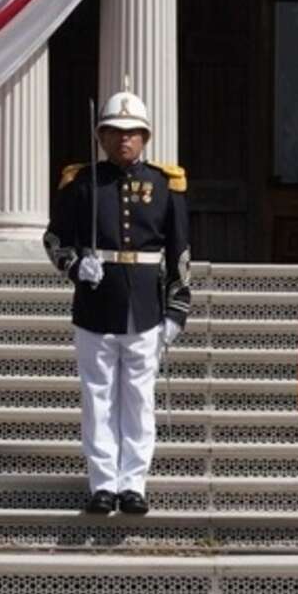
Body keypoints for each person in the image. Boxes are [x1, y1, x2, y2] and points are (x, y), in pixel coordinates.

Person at [43, 89, 191, 515]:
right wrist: (74, 267)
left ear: (145, 137)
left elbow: (179, 251)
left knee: (139, 398)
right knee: (98, 396)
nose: (123, 139)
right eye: (113, 132)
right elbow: (55, 239)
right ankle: (103, 481)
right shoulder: (81, 183)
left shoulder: (166, 185)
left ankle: (134, 483)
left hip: (146, 303)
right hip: (96, 303)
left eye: (131, 132)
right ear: (100, 137)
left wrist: (176, 307)